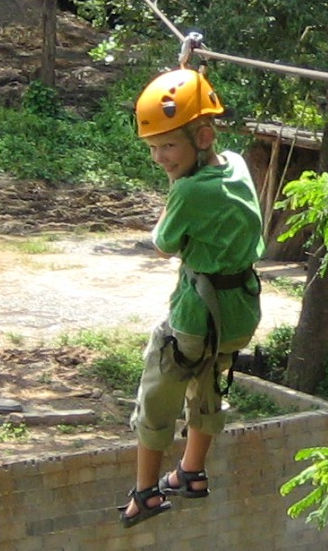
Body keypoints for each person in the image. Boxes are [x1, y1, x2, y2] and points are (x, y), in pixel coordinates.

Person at [118, 68, 264, 528]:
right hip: (240, 312)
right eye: (153, 147)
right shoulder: (237, 165)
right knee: (210, 381)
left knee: (158, 390)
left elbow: (163, 243)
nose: (159, 157)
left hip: (195, 316)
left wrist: (172, 200)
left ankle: (145, 493)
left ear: (202, 136)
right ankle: (192, 473)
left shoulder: (186, 190)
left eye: (168, 146)